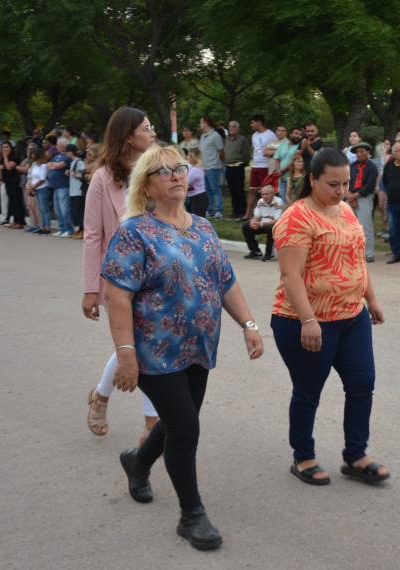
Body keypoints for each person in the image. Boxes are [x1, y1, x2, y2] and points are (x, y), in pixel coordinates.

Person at [103, 144, 263, 551]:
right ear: (147, 185)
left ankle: (137, 462)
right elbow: (117, 296)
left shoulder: (203, 227)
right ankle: (191, 514)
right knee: (186, 427)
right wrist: (125, 355)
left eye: (180, 168)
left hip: (198, 348)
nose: (175, 175)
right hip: (154, 352)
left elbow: (225, 281)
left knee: (179, 421)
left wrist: (249, 325)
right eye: (164, 171)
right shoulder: (134, 232)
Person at [270, 147, 389, 487]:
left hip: (352, 317)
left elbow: (357, 261)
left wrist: (371, 299)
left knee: (362, 385)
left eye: (345, 184)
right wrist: (308, 320)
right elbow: (291, 276)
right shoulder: (296, 217)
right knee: (308, 391)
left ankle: (356, 456)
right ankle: (303, 456)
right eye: (332, 185)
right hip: (305, 321)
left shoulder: (346, 211)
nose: (340, 192)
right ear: (312, 180)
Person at [82, 107, 158, 442]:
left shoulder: (158, 167)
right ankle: (151, 421)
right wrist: (89, 288)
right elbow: (93, 234)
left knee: (141, 343)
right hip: (121, 275)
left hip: (156, 271)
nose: (152, 132)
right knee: (137, 343)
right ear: (129, 136)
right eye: (146, 127)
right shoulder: (103, 177)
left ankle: (100, 396)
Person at [347, 141, 378, 262]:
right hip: (350, 197)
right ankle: (354, 252)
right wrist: (349, 195)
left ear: (368, 152)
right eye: (357, 152)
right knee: (350, 227)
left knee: (366, 226)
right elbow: (347, 181)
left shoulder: (372, 167)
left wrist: (356, 195)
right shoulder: (352, 166)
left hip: (364, 198)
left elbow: (370, 185)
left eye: (361, 151)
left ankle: (369, 253)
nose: (359, 154)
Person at [245, 114, 276, 220]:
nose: (251, 125)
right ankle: (248, 214)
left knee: (265, 191)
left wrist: (268, 154)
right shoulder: (254, 135)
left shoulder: (270, 135)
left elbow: (277, 150)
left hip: (265, 166)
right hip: (255, 165)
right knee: (252, 190)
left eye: (252, 122)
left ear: (259, 122)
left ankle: (266, 214)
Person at [242, 184, 285, 261]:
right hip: (262, 224)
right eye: (262, 194)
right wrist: (253, 222)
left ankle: (269, 254)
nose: (264, 196)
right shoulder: (260, 201)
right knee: (246, 226)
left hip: (276, 226)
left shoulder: (278, 202)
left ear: (273, 194)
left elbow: (277, 220)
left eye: (267, 194)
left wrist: (260, 224)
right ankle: (255, 251)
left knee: (271, 228)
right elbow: (257, 217)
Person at [47, 138, 75, 237]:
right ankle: (62, 228)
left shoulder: (67, 157)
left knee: (64, 209)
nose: (56, 146)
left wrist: (54, 165)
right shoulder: (56, 156)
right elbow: (48, 165)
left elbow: (58, 166)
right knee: (57, 209)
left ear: (62, 146)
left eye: (58, 145)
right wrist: (54, 165)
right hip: (55, 186)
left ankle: (69, 229)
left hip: (63, 186)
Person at [223, 121, 250, 220]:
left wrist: (243, 163)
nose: (231, 128)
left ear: (237, 128)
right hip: (228, 167)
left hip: (238, 167)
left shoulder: (242, 139)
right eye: (230, 126)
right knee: (232, 190)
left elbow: (246, 154)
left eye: (234, 127)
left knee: (239, 190)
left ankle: (241, 211)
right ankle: (235, 211)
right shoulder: (226, 139)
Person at [198, 116, 224, 219]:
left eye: (201, 123)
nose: (200, 125)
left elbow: (221, 151)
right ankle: (210, 210)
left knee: (215, 189)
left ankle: (218, 210)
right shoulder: (202, 136)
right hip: (204, 167)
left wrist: (219, 164)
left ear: (206, 123)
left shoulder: (215, 135)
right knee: (207, 190)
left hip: (213, 167)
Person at [0, 141, 26, 229]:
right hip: (7, 182)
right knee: (12, 202)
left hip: (15, 181)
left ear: (11, 148)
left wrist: (5, 157)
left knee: (17, 201)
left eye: (7, 147)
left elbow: (9, 167)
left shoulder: (15, 157)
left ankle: (20, 222)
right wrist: (0, 169)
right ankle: (15, 220)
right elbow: (1, 170)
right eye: (3, 147)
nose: (5, 149)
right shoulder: (2, 157)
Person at [25, 147, 51, 234]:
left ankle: (47, 227)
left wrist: (33, 187)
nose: (32, 156)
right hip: (36, 188)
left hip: (42, 188)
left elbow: (42, 179)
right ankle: (42, 226)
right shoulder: (34, 164)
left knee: (44, 208)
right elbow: (31, 176)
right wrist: (30, 185)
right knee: (40, 208)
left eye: (33, 154)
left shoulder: (44, 165)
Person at [272, 127, 303, 202]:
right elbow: (276, 158)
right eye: (296, 133)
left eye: (300, 134)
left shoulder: (300, 147)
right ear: (290, 134)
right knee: (283, 200)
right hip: (282, 179)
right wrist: (278, 172)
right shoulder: (283, 144)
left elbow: (293, 161)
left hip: (294, 179)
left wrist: (281, 172)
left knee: (293, 200)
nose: (298, 136)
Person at [66, 144, 87, 238]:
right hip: (73, 191)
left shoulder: (79, 162)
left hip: (78, 190)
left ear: (71, 152)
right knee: (74, 211)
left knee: (79, 211)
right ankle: (78, 230)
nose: (66, 153)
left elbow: (82, 175)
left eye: (67, 151)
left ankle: (82, 230)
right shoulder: (72, 162)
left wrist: (73, 173)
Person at [374, 139, 391, 238]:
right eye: (384, 144)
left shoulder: (390, 157)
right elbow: (379, 171)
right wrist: (377, 184)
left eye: (388, 144)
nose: (386, 146)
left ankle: (389, 229)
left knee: (386, 206)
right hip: (381, 183)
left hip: (388, 183)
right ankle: (384, 228)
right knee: (380, 206)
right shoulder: (379, 158)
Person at [185, 148, 208, 218]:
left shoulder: (195, 170)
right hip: (194, 197)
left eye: (190, 156)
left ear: (194, 158)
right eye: (188, 155)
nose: (187, 157)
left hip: (198, 198)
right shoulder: (193, 168)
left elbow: (185, 183)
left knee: (197, 221)